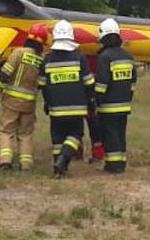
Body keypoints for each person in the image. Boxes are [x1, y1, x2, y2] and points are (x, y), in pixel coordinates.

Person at [39, 20, 93, 177]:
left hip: (55, 108)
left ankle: (59, 167)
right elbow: (89, 82)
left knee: (57, 137)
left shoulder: (47, 60)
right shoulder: (79, 58)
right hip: (77, 108)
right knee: (75, 134)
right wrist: (91, 101)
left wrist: (47, 103)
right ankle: (63, 160)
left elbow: (42, 84)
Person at [0, 23, 48, 170]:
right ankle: (26, 165)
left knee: (7, 131)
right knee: (25, 134)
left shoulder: (19, 53)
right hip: (29, 104)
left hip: (11, 102)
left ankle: (5, 162)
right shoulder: (41, 59)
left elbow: (5, 75)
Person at [91, 18, 137, 174]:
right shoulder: (128, 57)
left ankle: (113, 165)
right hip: (124, 104)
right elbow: (133, 82)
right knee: (120, 134)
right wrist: (128, 98)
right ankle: (121, 162)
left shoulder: (105, 57)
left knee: (109, 135)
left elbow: (102, 83)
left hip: (108, 105)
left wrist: (96, 101)